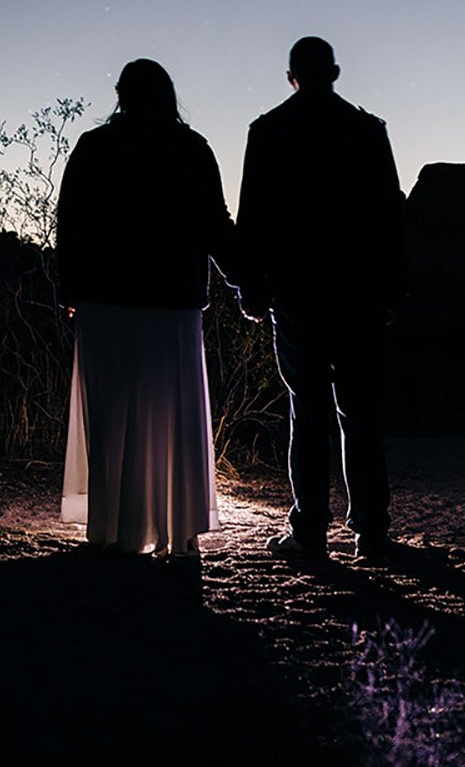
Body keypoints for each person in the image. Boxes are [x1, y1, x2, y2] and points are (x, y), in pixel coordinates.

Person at [57, 59, 239, 556]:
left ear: (120, 94)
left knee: (112, 413)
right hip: (171, 303)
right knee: (171, 418)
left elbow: (69, 221)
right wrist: (247, 281)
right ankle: (175, 527)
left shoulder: (94, 148)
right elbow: (214, 225)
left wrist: (69, 289)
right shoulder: (191, 148)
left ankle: (116, 526)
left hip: (104, 300)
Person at [237, 36, 406, 563]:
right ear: (334, 71)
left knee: (307, 410)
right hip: (359, 291)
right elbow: (390, 214)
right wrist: (395, 286)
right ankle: (371, 532)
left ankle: (310, 529)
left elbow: (253, 217)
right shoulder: (367, 130)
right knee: (362, 412)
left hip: (296, 292)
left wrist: (252, 287)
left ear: (291, 76)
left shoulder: (267, 131)